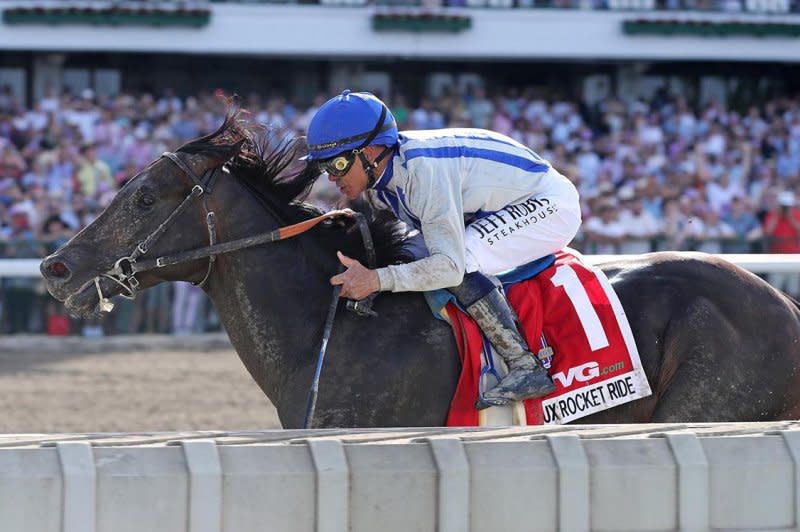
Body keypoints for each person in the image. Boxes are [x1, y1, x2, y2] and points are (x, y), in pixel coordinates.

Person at [304, 90, 582, 409]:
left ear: (370, 151)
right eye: (324, 167)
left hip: (549, 204)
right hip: (501, 205)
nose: (332, 177)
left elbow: (449, 266)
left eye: (337, 164)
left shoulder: (422, 174)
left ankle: (525, 365)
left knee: (461, 258)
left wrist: (377, 280)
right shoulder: (382, 187)